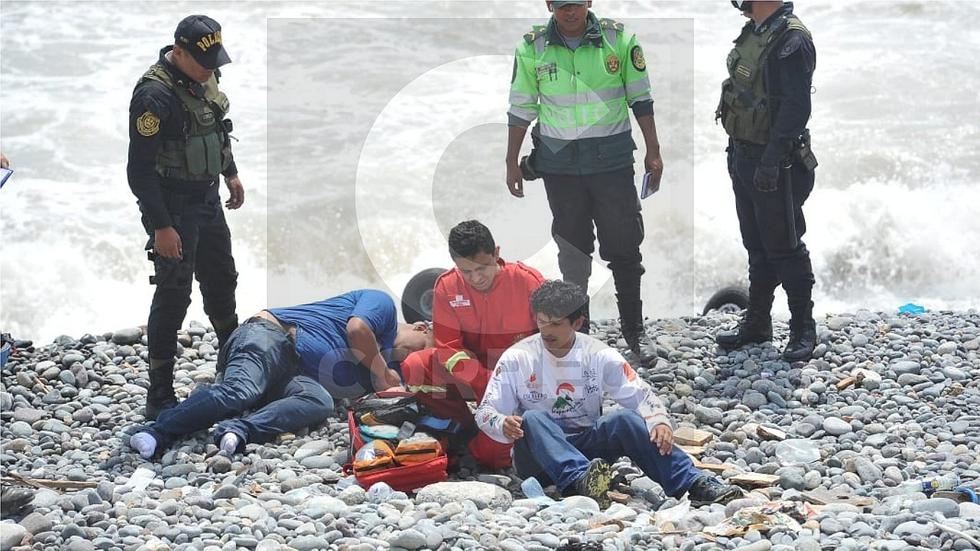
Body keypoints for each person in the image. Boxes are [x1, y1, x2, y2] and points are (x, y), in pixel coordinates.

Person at [475, 280, 742, 507]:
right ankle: (579, 480)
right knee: (532, 418)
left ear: (577, 322)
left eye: (555, 324)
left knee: (624, 419)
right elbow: (485, 412)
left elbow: (640, 395)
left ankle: (692, 482)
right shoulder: (517, 358)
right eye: (541, 322)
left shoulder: (599, 355)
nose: (545, 331)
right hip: (537, 459)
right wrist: (502, 423)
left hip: (589, 453)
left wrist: (659, 420)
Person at [505, 0, 662, 357]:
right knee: (573, 253)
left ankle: (635, 331)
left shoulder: (618, 41)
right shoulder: (532, 48)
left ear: (589, 2)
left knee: (624, 249)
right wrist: (511, 161)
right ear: (549, 5)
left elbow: (641, 98)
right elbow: (521, 107)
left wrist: (653, 150)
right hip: (561, 170)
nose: (570, 11)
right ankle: (581, 333)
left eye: (576, 3)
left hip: (612, 164)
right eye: (562, 5)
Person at [129, 290, 432, 458]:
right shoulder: (383, 308)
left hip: (294, 374)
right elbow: (357, 329)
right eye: (425, 349)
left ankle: (241, 429)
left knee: (320, 402)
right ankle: (159, 432)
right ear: (422, 327)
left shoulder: (394, 370)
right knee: (240, 391)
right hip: (271, 336)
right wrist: (380, 373)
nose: (419, 358)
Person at [128, 15, 246, 420]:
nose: (210, 68)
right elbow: (139, 172)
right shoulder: (154, 98)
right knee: (174, 294)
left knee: (222, 278)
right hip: (173, 206)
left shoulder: (204, 77)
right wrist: (162, 226)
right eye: (202, 60)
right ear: (178, 52)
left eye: (214, 59)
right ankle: (159, 393)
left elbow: (216, 126)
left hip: (208, 198)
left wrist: (230, 172)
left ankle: (232, 363)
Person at [714, 1, 818, 362]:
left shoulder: (791, 38)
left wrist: (773, 160)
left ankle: (803, 327)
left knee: (785, 245)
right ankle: (757, 323)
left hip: (776, 160)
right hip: (744, 153)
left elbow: (796, 107)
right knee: (756, 244)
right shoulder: (758, 30)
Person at [401, 220, 544, 469]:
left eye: (482, 268)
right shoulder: (447, 287)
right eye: (466, 271)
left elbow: (554, 342)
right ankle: (465, 426)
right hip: (476, 375)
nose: (476, 278)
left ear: (496, 254)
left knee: (491, 458)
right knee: (416, 366)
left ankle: (502, 435)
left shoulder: (528, 282)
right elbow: (448, 351)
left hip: (521, 380)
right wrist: (484, 380)